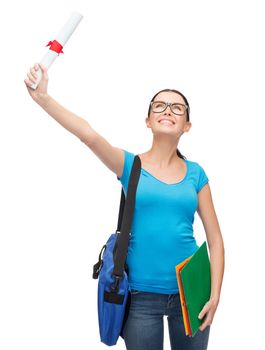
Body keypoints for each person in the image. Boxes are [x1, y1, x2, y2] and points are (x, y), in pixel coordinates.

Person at [24, 63, 225, 350]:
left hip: (191, 295)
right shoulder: (130, 165)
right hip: (140, 298)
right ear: (147, 120)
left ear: (187, 126)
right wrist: (43, 97)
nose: (168, 110)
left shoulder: (196, 174)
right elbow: (89, 135)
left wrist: (214, 295)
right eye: (160, 105)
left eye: (177, 108)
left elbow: (215, 240)